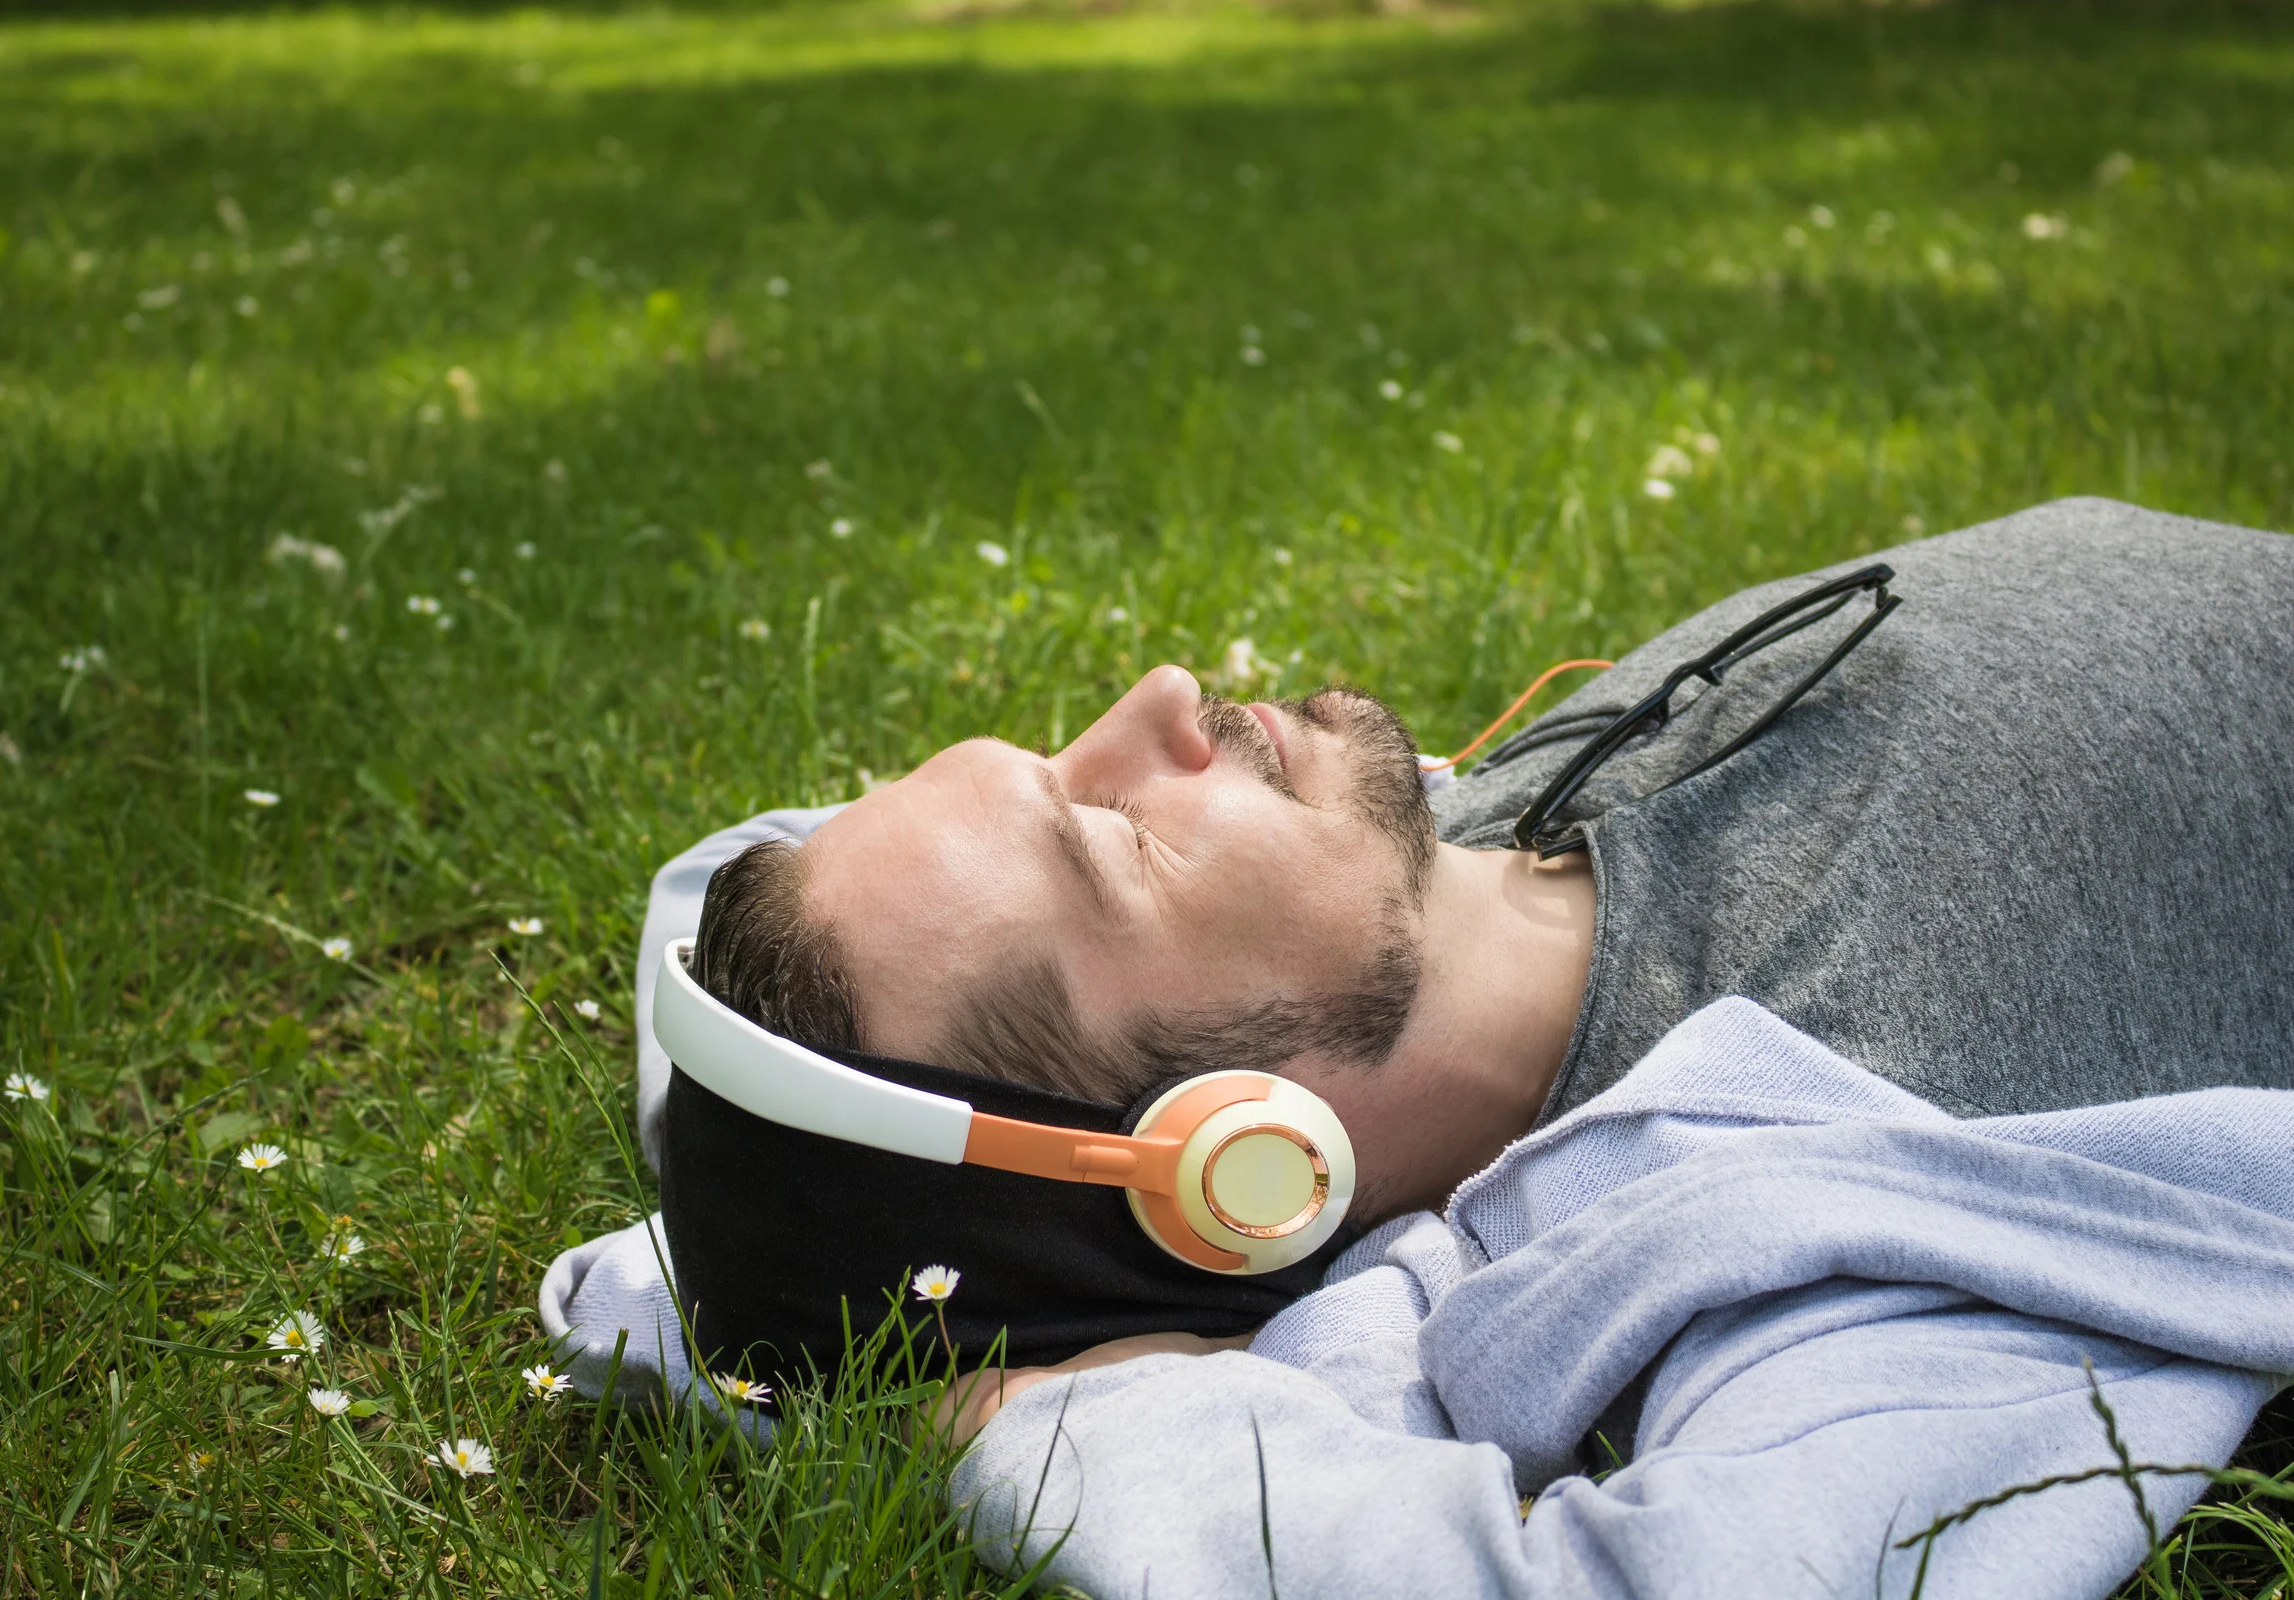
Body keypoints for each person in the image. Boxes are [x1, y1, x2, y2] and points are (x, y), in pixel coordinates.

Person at [535, 496, 2294, 1594]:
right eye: (1116, 841)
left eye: (1053, 762)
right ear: (1234, 1160)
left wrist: (792, 1198)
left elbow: (718, 882)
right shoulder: (1791, 1187)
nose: (1155, 704)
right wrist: (1026, 1414)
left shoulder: (1449, 841)